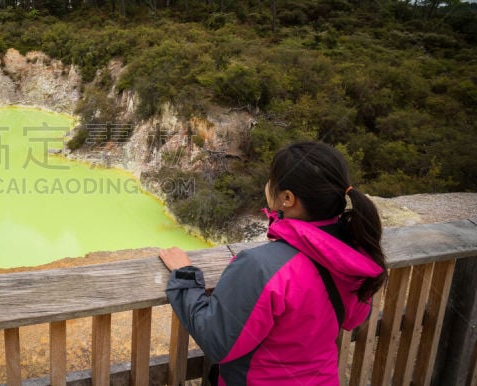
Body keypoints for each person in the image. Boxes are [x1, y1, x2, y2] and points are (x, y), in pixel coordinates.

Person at [159, 141, 386, 385]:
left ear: (287, 198)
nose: (268, 184)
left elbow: (217, 340)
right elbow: (353, 320)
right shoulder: (354, 254)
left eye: (272, 179)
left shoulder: (262, 267)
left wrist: (185, 276)